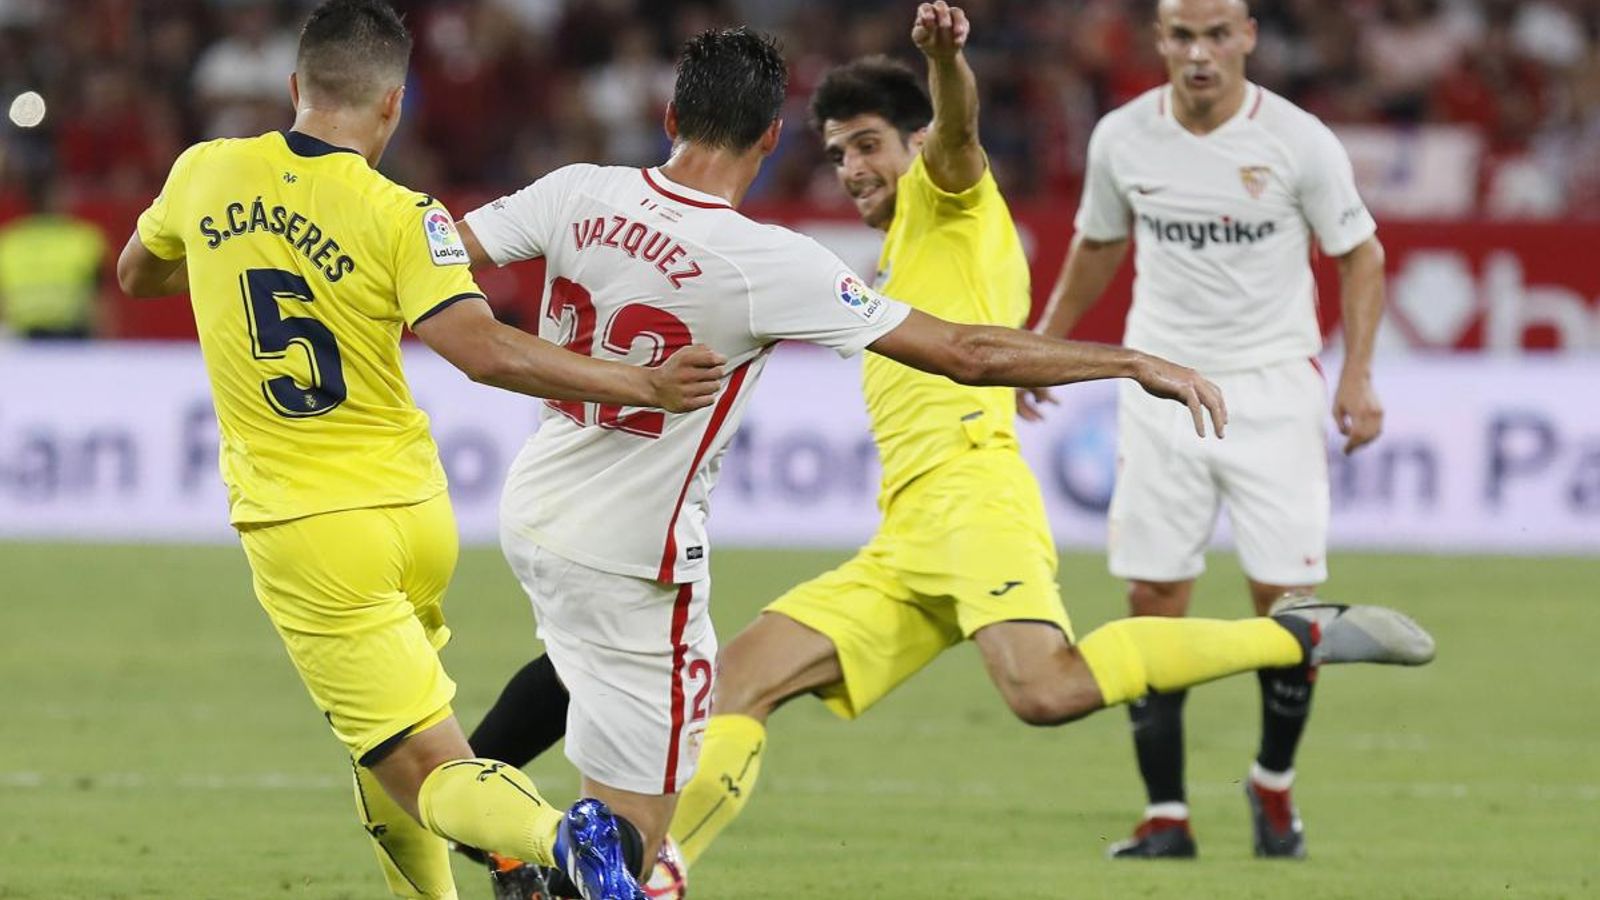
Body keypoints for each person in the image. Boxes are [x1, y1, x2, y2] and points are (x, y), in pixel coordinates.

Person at [457, 9, 1429, 898]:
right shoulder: (821, 261)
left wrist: (944, 61)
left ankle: (1290, 636)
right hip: (906, 525)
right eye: (836, 153)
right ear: (778, 140)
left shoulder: (945, 197)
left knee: (1042, 691)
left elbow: (959, 184)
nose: (854, 170)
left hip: (972, 501)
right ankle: (655, 873)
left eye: (871, 146)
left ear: (915, 145)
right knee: (745, 681)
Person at [114, 2, 725, 898]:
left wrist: (221, 249)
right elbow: (481, 349)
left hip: (309, 531)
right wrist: (642, 381)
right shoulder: (406, 214)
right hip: (414, 516)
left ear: (294, 88)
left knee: (429, 768)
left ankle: (565, 841)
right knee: (378, 749)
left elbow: (136, 271)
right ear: (393, 105)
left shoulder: (205, 171)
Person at [1024, 0, 1391, 860]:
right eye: (1182, 35)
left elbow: (1361, 254)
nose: (1199, 53)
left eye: (1217, 35)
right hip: (1160, 387)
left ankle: (1271, 785)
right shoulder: (1122, 137)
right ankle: (1166, 815)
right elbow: (1098, 243)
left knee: (1287, 609)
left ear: (1248, 39)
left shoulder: (1298, 140)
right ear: (1160, 40)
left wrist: (1359, 373)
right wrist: (1042, 346)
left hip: (1272, 391)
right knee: (1153, 599)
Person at [0, 177, 108, 339]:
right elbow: (100, 302)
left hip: (22, 343)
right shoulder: (85, 240)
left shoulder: (8, 242)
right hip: (71, 340)